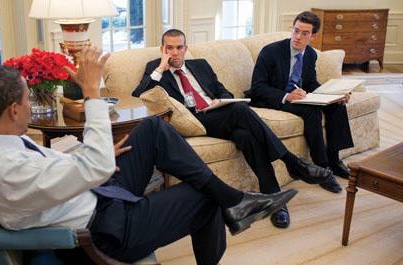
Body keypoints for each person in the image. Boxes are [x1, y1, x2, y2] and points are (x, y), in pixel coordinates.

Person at [0, 47, 297, 265]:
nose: (31, 106)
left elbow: (57, 171)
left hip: (95, 196)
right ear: (13, 110)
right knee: (203, 197)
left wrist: (88, 153)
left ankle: (235, 200)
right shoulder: (5, 168)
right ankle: (233, 201)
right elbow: (89, 171)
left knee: (152, 131)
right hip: (103, 233)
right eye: (27, 101)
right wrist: (92, 94)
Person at [133, 29, 335, 229]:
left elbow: (222, 89)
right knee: (240, 110)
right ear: (162, 49)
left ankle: (275, 201)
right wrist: (161, 68)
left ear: (185, 48)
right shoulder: (156, 69)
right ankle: (292, 161)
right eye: (169, 48)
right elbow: (140, 95)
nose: (174, 53)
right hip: (193, 120)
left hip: (218, 114)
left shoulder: (200, 65)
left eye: (179, 48)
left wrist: (221, 100)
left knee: (247, 136)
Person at [245, 11, 353, 194]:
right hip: (272, 99)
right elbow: (257, 88)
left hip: (297, 97)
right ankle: (322, 168)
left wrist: (334, 95)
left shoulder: (310, 54)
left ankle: (334, 160)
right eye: (296, 31)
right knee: (312, 112)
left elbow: (311, 83)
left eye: (304, 33)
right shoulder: (271, 52)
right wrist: (286, 96)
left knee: (337, 106)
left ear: (313, 36)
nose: (298, 37)